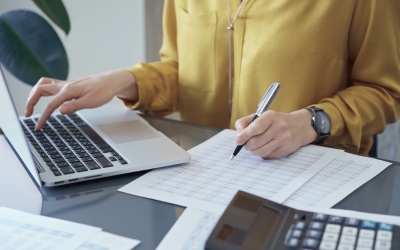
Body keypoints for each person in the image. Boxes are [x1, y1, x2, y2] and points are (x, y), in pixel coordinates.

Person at [26, 0, 400, 159]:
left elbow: (386, 91)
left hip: (312, 185)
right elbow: (183, 70)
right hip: (198, 179)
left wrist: (313, 122)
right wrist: (122, 80)